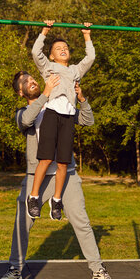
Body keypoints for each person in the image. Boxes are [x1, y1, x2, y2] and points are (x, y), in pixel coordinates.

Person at [0, 71, 117, 279]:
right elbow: (26, 121)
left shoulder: (62, 107)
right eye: (26, 82)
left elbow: (88, 120)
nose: (31, 81)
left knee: (81, 221)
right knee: (22, 223)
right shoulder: (23, 111)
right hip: (37, 178)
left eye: (32, 78)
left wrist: (82, 99)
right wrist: (46, 94)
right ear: (20, 92)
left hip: (66, 175)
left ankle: (97, 270)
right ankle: (15, 269)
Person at [27, 20, 95, 221]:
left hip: (67, 117)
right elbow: (35, 52)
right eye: (58, 48)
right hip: (51, 115)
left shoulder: (75, 71)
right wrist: (45, 32)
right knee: (46, 159)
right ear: (52, 55)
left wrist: (86, 35)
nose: (63, 50)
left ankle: (56, 200)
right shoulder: (48, 67)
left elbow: (90, 57)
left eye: (65, 48)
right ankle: (34, 196)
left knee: (63, 163)